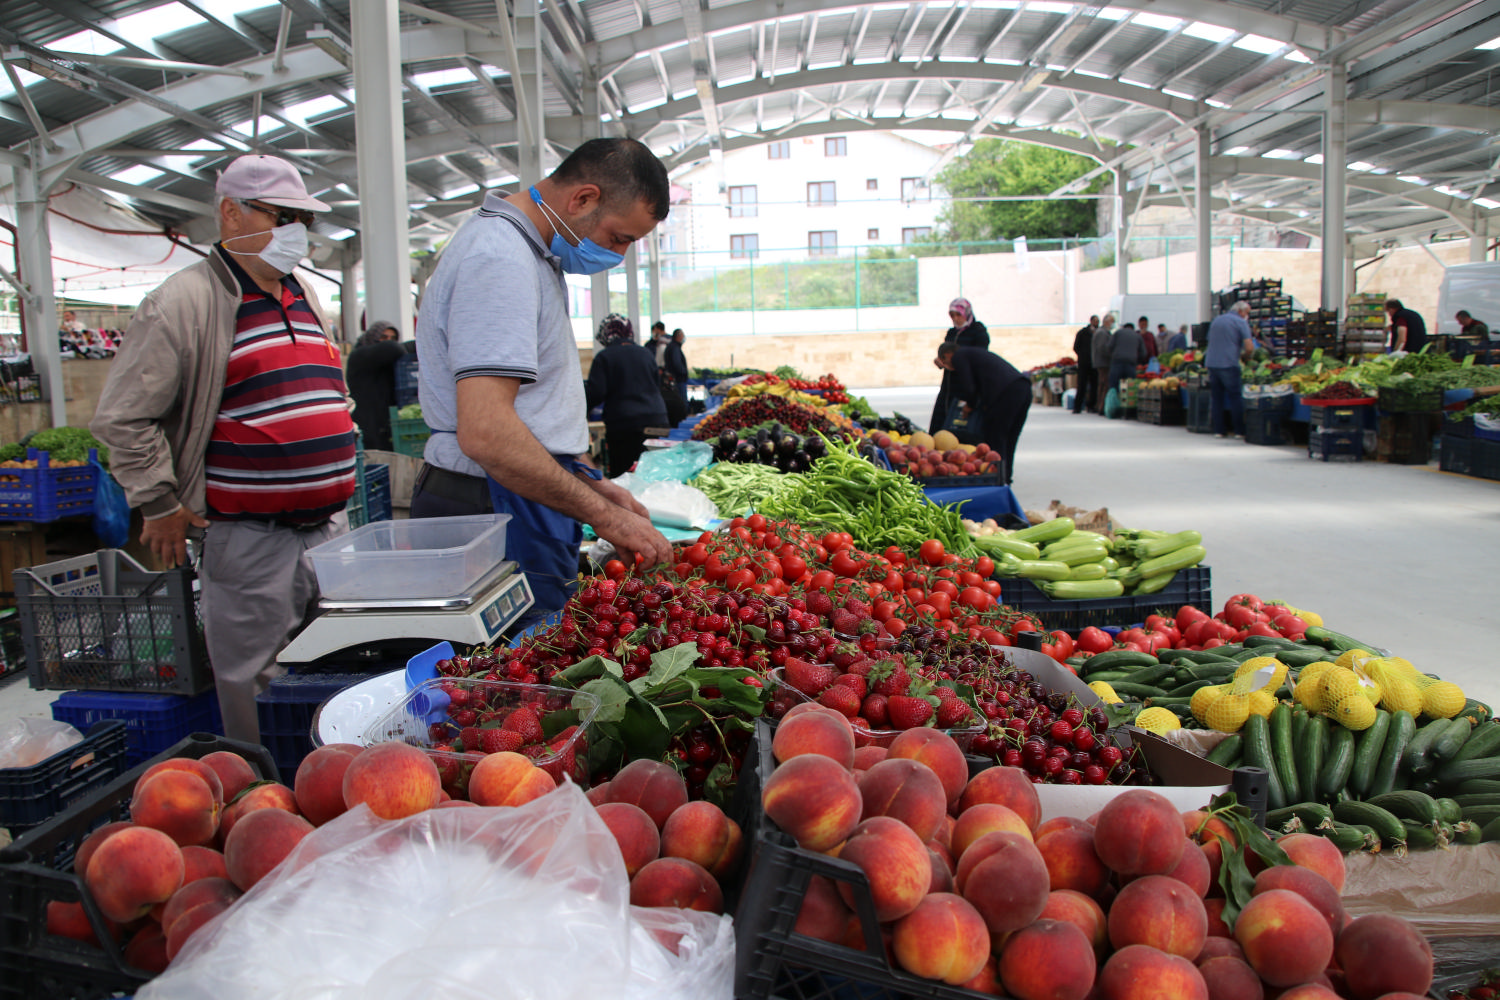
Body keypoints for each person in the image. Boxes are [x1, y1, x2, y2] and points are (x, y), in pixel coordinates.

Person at [90, 154, 353, 745]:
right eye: (282, 216)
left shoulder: (302, 292)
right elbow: (124, 418)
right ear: (230, 213)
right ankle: (263, 796)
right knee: (257, 683)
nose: (296, 233)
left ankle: (324, 782)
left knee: (328, 671)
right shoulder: (183, 303)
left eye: (302, 220)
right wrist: (158, 502)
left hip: (326, 531)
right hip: (251, 537)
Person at [409, 137, 673, 612]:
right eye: (619, 238)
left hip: (518, 494)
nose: (619, 254)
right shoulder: (499, 260)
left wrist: (593, 482)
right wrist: (605, 519)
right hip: (496, 505)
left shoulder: (527, 254)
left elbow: (534, 411)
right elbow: (488, 432)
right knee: (517, 672)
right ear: (584, 199)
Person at [584, 314, 668, 478]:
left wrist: (580, 412)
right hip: (657, 419)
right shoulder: (645, 353)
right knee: (652, 471)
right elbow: (656, 385)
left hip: (626, 424)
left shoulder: (605, 357)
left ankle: (627, 503)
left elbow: (596, 392)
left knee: (625, 475)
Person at [935, 341, 1030, 485]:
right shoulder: (971, 354)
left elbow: (969, 386)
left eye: (945, 361)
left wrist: (970, 404)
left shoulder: (959, 356)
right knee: (1009, 439)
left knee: (996, 438)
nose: (950, 368)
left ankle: (996, 479)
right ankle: (1005, 478)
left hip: (1006, 393)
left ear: (948, 355)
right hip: (1023, 388)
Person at [345, 320, 413, 451]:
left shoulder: (390, 360)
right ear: (373, 337)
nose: (388, 341)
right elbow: (393, 348)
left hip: (385, 424)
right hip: (368, 424)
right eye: (384, 337)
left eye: (393, 338)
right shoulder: (360, 355)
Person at [928, 297, 991, 433]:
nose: (956, 319)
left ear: (967, 314)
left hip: (966, 384)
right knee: (939, 427)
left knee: (961, 426)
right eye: (952, 315)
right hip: (948, 386)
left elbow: (979, 360)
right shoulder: (952, 333)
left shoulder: (978, 332)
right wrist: (941, 362)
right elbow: (946, 354)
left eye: (959, 315)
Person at [1205, 301, 1255, 439]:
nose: (1248, 316)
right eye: (1247, 313)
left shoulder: (1216, 321)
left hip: (1212, 364)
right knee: (1235, 398)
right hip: (1229, 364)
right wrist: (1246, 357)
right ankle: (1239, 431)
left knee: (1217, 398)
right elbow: (1249, 347)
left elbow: (1210, 341)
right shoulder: (1240, 322)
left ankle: (1219, 430)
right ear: (1241, 311)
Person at [1107, 321, 1147, 395]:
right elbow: (1143, 353)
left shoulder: (1118, 333)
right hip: (1130, 364)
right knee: (1129, 387)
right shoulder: (1137, 336)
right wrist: (1138, 361)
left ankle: (1114, 403)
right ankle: (1126, 404)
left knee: (1114, 386)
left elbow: (1109, 347)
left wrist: (1112, 356)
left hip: (1117, 363)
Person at [1071, 314, 1098, 415]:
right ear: (1091, 321)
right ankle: (1077, 407)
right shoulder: (1082, 333)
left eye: (1097, 321)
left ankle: (1091, 405)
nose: (1096, 323)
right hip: (1084, 363)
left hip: (1095, 363)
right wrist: (1082, 355)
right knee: (1082, 385)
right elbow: (1076, 347)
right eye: (1095, 321)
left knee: (1094, 385)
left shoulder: (1099, 332)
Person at [1091, 314, 1116, 412]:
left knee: (1102, 384)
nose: (1112, 324)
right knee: (1105, 384)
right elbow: (1102, 348)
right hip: (1103, 363)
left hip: (1100, 362)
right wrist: (1111, 355)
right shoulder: (1102, 333)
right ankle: (1101, 406)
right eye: (1111, 322)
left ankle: (1100, 405)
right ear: (1106, 322)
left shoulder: (1101, 332)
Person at [664, 328, 689, 404]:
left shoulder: (672, 346)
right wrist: (683, 372)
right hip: (678, 379)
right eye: (683, 335)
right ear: (679, 336)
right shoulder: (675, 348)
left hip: (675, 378)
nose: (684, 338)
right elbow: (677, 363)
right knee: (681, 400)